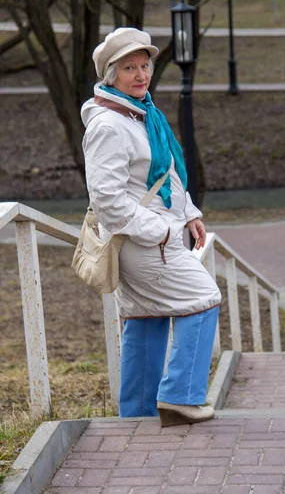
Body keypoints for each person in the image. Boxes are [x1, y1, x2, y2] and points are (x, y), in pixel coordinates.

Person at [81, 27, 221, 427]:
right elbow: (108, 199)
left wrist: (189, 211)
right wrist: (160, 231)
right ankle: (180, 397)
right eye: (130, 68)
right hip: (144, 242)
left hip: (151, 236)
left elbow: (165, 174)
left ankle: (136, 417)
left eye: (144, 66)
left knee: (146, 316)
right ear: (111, 74)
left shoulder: (143, 115)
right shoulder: (109, 124)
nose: (141, 75)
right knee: (204, 299)